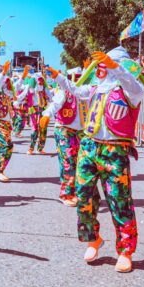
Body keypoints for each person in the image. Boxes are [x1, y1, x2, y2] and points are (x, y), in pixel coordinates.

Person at [49, 47, 144, 273]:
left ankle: (125, 251)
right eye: (102, 63)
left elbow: (132, 83)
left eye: (106, 64)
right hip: (89, 146)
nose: (101, 67)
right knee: (83, 195)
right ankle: (93, 239)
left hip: (115, 150)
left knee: (119, 201)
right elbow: (73, 90)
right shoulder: (95, 89)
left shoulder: (131, 90)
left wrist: (115, 66)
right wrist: (58, 77)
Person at [40, 67, 86, 207]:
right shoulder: (63, 92)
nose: (78, 80)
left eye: (80, 77)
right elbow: (54, 104)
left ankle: (76, 191)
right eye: (76, 77)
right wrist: (47, 115)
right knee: (68, 162)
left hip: (80, 132)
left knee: (79, 163)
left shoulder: (86, 93)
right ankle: (66, 194)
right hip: (64, 130)